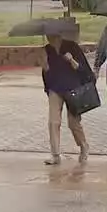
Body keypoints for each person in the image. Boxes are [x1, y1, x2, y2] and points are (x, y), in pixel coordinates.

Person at [42, 32, 94, 165]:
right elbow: (46, 73)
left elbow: (85, 71)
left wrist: (72, 60)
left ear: (59, 35)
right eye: (48, 35)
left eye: (52, 35)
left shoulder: (72, 47)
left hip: (72, 90)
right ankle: (55, 155)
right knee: (53, 122)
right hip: (55, 89)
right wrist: (45, 68)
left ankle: (83, 146)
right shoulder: (47, 50)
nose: (50, 38)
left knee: (73, 123)